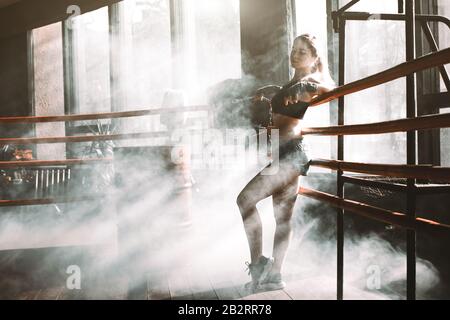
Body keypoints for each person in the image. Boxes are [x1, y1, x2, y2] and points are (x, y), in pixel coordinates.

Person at [237, 34, 335, 292]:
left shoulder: (310, 79)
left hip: (291, 154)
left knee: (245, 200)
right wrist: (275, 91)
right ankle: (274, 275)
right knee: (282, 219)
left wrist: (309, 87)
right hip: (281, 156)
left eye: (303, 51)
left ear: (314, 57)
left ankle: (259, 264)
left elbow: (328, 86)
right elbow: (285, 105)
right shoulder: (292, 82)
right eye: (294, 49)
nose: (295, 54)